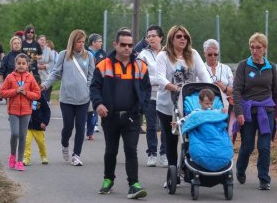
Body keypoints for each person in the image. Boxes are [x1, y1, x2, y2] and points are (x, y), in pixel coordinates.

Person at [90, 28, 151, 199]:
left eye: (130, 45)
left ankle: (134, 184)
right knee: (111, 150)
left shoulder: (140, 66)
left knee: (131, 149)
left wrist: (142, 109)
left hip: (132, 116)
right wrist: (99, 104)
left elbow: (146, 90)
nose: (127, 48)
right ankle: (108, 180)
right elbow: (94, 88)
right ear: (115, 44)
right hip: (110, 117)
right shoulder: (103, 65)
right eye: (123, 45)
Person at [155, 25, 211, 178]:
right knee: (171, 140)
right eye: (179, 36)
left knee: (191, 138)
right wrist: (175, 87)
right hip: (168, 106)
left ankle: (189, 167)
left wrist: (209, 89)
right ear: (171, 39)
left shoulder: (193, 54)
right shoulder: (163, 56)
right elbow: (160, 77)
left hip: (189, 105)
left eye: (185, 37)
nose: (182, 39)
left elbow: (204, 75)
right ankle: (172, 173)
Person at [41, 29, 95, 166]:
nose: (81, 44)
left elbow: (91, 76)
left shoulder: (88, 56)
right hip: (67, 99)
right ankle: (64, 144)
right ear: (72, 42)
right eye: (79, 42)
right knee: (68, 127)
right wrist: (45, 85)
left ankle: (76, 155)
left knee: (80, 128)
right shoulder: (63, 55)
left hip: (83, 99)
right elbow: (55, 73)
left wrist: (88, 90)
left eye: (83, 42)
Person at [233, 32, 277, 191]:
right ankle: (240, 168)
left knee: (264, 147)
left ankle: (264, 179)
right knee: (248, 146)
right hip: (248, 112)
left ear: (264, 48)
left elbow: (275, 92)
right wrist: (238, 112)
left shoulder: (271, 68)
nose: (255, 50)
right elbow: (236, 90)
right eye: (252, 47)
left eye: (258, 47)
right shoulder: (243, 66)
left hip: (267, 111)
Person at [0, 53, 41, 171]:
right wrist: (16, 91)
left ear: (28, 65)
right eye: (19, 63)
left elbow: (37, 94)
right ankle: (12, 155)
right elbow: (2, 93)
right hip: (13, 110)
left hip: (26, 111)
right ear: (15, 64)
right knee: (15, 134)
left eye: (24, 63)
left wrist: (26, 93)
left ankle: (19, 161)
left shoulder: (30, 78)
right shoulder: (10, 77)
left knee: (23, 135)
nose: (21, 66)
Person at [138, 25, 168, 167]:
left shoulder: (169, 53)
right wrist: (160, 80)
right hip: (150, 96)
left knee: (166, 126)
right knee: (151, 126)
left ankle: (164, 154)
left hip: (167, 96)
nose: (150, 38)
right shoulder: (143, 55)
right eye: (148, 36)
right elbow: (141, 77)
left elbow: (172, 74)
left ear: (161, 37)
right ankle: (152, 153)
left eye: (153, 36)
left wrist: (160, 80)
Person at [203, 39, 234, 131]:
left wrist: (224, 88)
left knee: (224, 131)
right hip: (206, 107)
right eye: (210, 54)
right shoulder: (200, 68)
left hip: (224, 107)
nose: (213, 56)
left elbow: (234, 90)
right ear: (204, 53)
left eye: (215, 54)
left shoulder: (226, 69)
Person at [23, 75, 51, 166]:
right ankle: (26, 158)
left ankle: (43, 156)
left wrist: (44, 122)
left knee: (41, 143)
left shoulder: (41, 97)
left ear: (38, 85)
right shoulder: (25, 95)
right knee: (26, 142)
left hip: (39, 126)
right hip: (27, 125)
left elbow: (47, 111)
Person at [86, 33, 106, 140]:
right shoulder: (84, 52)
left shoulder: (103, 54)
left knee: (95, 103)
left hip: (98, 83)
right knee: (85, 104)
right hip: (85, 82)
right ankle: (84, 122)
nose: (101, 43)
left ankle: (93, 126)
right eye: (99, 41)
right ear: (93, 42)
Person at [37, 35, 54, 102]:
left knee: (44, 90)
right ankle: (35, 106)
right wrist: (37, 65)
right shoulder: (35, 48)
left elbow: (52, 61)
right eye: (41, 39)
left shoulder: (48, 49)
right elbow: (31, 60)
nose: (42, 41)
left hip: (45, 73)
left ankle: (44, 105)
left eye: (44, 40)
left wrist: (46, 66)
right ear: (38, 40)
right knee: (36, 90)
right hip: (36, 72)